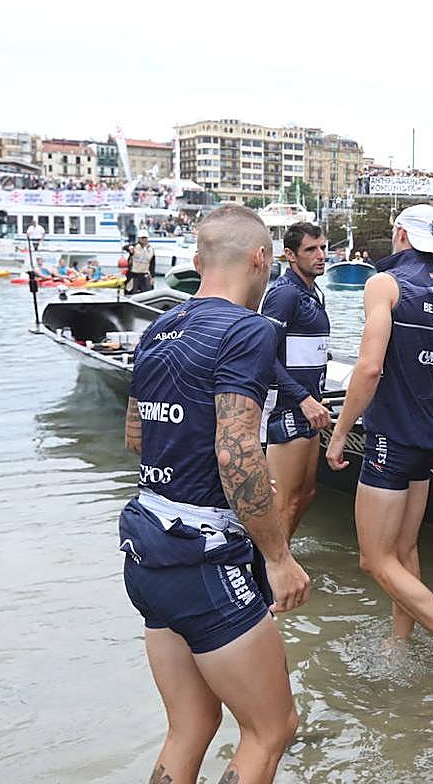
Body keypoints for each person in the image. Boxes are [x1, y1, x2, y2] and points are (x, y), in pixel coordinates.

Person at [117, 205, 310, 784]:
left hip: (147, 549)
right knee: (271, 730)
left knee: (190, 727)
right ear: (262, 260)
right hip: (202, 561)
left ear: (198, 262)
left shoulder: (158, 328)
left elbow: (135, 434)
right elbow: (237, 453)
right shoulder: (249, 329)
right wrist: (278, 558)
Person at [326, 205, 433, 667]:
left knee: (375, 560)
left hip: (388, 439)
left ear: (400, 233)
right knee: (404, 550)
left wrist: (340, 434)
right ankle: (401, 642)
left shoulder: (385, 285)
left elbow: (370, 367)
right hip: (426, 439)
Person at [260, 221, 331, 538]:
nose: (320, 255)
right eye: (311, 250)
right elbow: (263, 354)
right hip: (288, 408)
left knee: (306, 496)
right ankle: (269, 572)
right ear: (289, 254)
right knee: (284, 501)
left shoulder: (313, 292)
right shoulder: (285, 295)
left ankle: (281, 558)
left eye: (324, 248)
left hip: (310, 406)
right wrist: (302, 398)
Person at [130, 229, 156, 294]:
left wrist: (152, 277)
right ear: (139, 239)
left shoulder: (151, 249)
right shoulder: (134, 246)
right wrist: (129, 248)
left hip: (145, 274)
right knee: (133, 292)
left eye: (145, 238)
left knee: (148, 293)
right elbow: (125, 247)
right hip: (134, 275)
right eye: (142, 238)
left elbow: (152, 264)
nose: (144, 239)